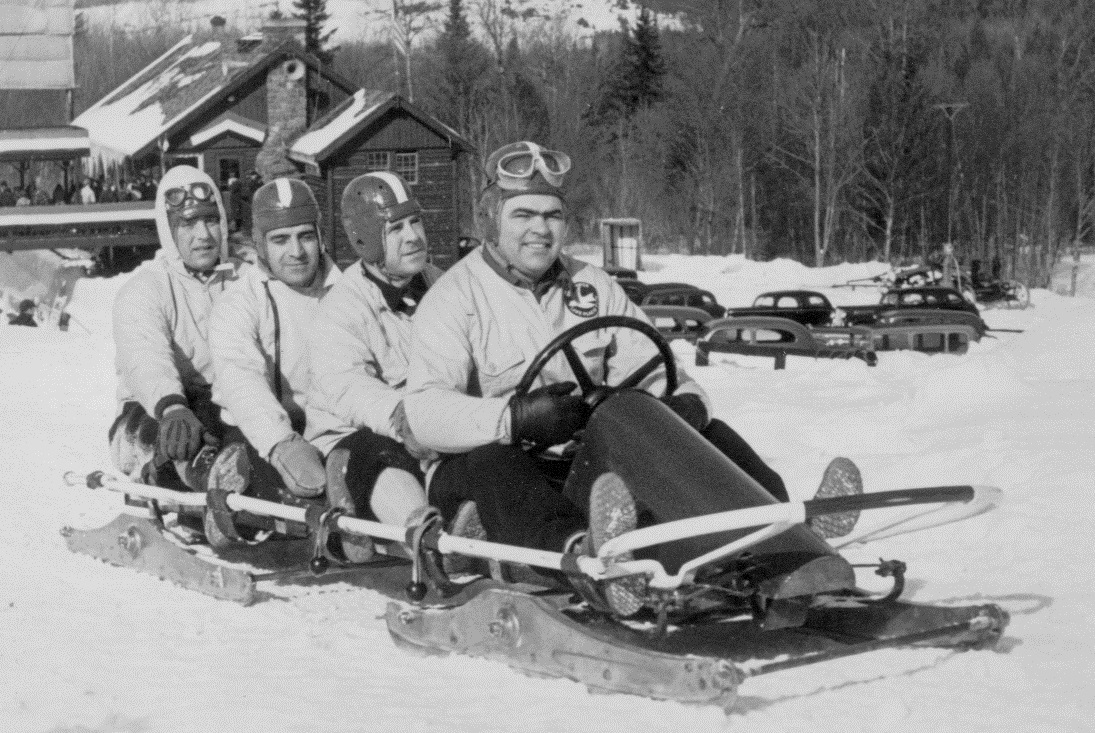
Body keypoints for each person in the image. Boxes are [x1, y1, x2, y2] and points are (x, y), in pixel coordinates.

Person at [402, 141, 851, 615]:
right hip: (490, 474)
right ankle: (586, 558)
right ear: (493, 220)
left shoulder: (591, 286)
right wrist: (514, 419)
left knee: (703, 433)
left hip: (580, 466)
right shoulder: (456, 297)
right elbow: (425, 411)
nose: (540, 229)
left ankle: (783, 531)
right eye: (523, 215)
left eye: (552, 215)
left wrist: (684, 408)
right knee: (494, 462)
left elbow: (658, 366)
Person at [306, 172, 443, 543]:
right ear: (367, 239)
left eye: (416, 221)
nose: (414, 237)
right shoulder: (342, 307)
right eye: (396, 228)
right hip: (356, 434)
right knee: (380, 453)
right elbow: (348, 386)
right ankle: (425, 534)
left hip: (431, 425)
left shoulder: (442, 285)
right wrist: (400, 416)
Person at [207, 177, 340, 516]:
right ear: (261, 245)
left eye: (306, 237)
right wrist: (281, 442)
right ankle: (230, 496)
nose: (296, 252)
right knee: (283, 484)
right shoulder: (240, 302)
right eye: (281, 240)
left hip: (332, 428)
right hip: (262, 430)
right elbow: (241, 378)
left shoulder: (346, 291)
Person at [108, 165, 240, 492]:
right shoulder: (146, 290)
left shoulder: (244, 280)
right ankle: (190, 481)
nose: (203, 236)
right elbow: (145, 356)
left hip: (225, 406)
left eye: (210, 220)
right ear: (169, 230)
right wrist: (171, 404)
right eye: (188, 224)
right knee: (183, 433)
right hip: (153, 411)